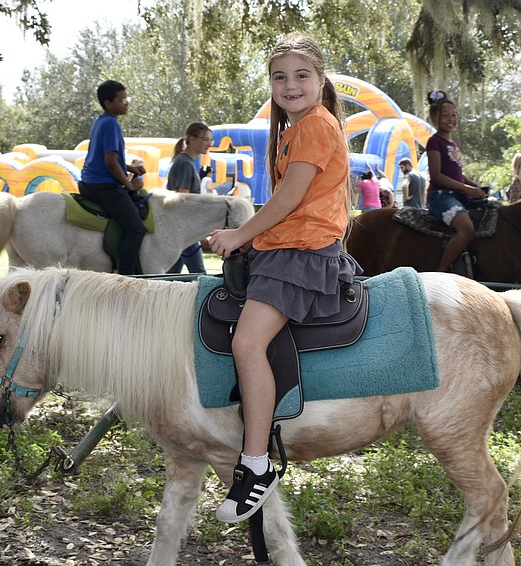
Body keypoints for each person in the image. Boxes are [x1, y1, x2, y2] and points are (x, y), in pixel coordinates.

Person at [207, 32, 361, 524]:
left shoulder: (315, 125)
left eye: (301, 75)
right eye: (280, 77)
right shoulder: (297, 128)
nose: (290, 85)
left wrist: (241, 233)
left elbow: (291, 197)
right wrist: (252, 240)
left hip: (301, 256)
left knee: (247, 343)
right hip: (284, 249)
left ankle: (256, 464)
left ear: (321, 80)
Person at [78, 80, 146, 275]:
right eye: (121, 100)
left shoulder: (101, 120)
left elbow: (109, 159)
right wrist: (130, 185)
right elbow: (110, 162)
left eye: (126, 98)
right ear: (108, 103)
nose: (126, 103)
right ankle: (125, 276)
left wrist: (130, 168)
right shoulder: (111, 123)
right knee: (136, 229)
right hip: (104, 186)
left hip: (92, 181)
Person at [424, 90, 484, 272]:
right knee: (466, 229)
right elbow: (437, 175)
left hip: (458, 195)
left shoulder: (453, 144)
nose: (450, 119)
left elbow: (457, 174)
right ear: (433, 118)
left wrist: (475, 186)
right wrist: (467, 189)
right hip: (440, 196)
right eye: (444, 115)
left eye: (454, 115)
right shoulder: (434, 142)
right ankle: (441, 271)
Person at [165, 121, 211, 274]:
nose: (209, 144)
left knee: (172, 274)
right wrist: (198, 231)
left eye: (210, 140)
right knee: (200, 274)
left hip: (181, 229)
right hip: (184, 229)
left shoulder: (185, 161)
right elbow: (182, 198)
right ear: (192, 139)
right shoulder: (185, 163)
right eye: (205, 139)